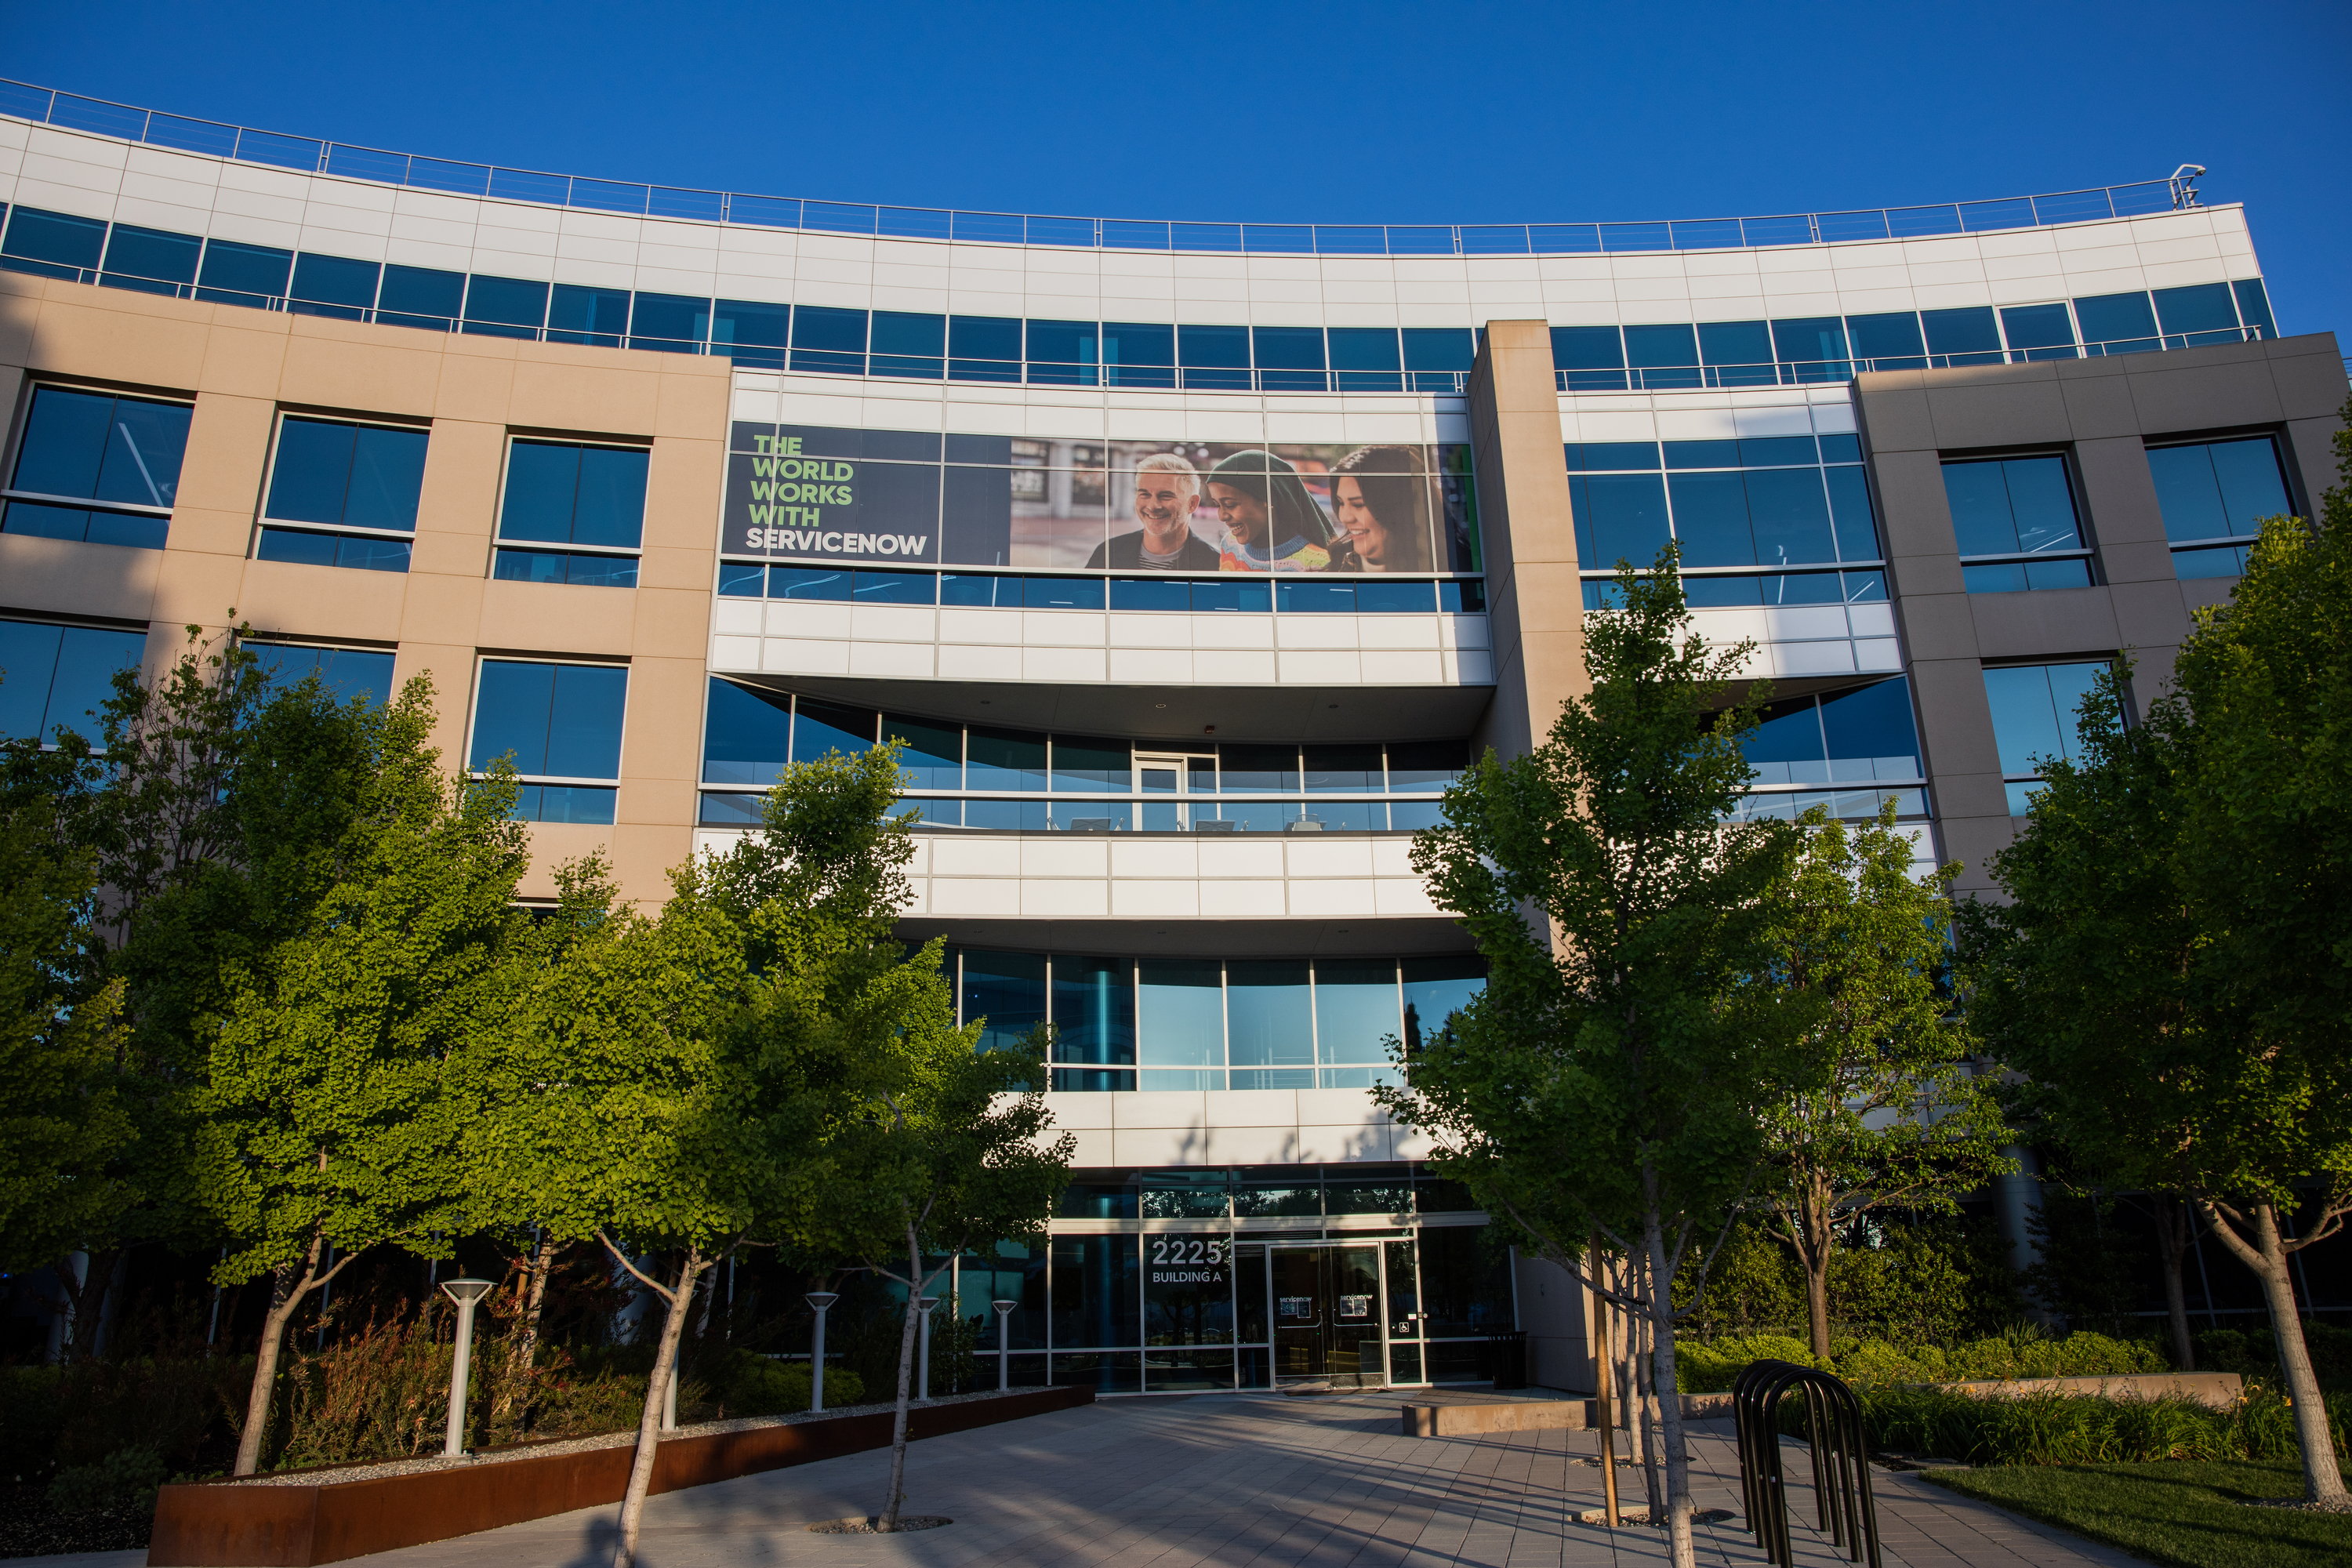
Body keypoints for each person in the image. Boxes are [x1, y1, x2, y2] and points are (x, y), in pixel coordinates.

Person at [1205, 449, 1336, 572]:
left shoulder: (1318, 564)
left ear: (1269, 500)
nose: (1221, 516)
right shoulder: (1229, 545)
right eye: (1217, 505)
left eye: (1230, 504)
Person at [1089, 452, 1222, 570]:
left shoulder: (1215, 566)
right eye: (1145, 494)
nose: (1153, 506)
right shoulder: (1107, 553)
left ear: (1192, 504)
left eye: (1166, 496)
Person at [1322, 445, 1430, 572]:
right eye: (1341, 503)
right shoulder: (1337, 566)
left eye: (1358, 504)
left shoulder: (1439, 566)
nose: (1344, 518)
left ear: (1398, 506)